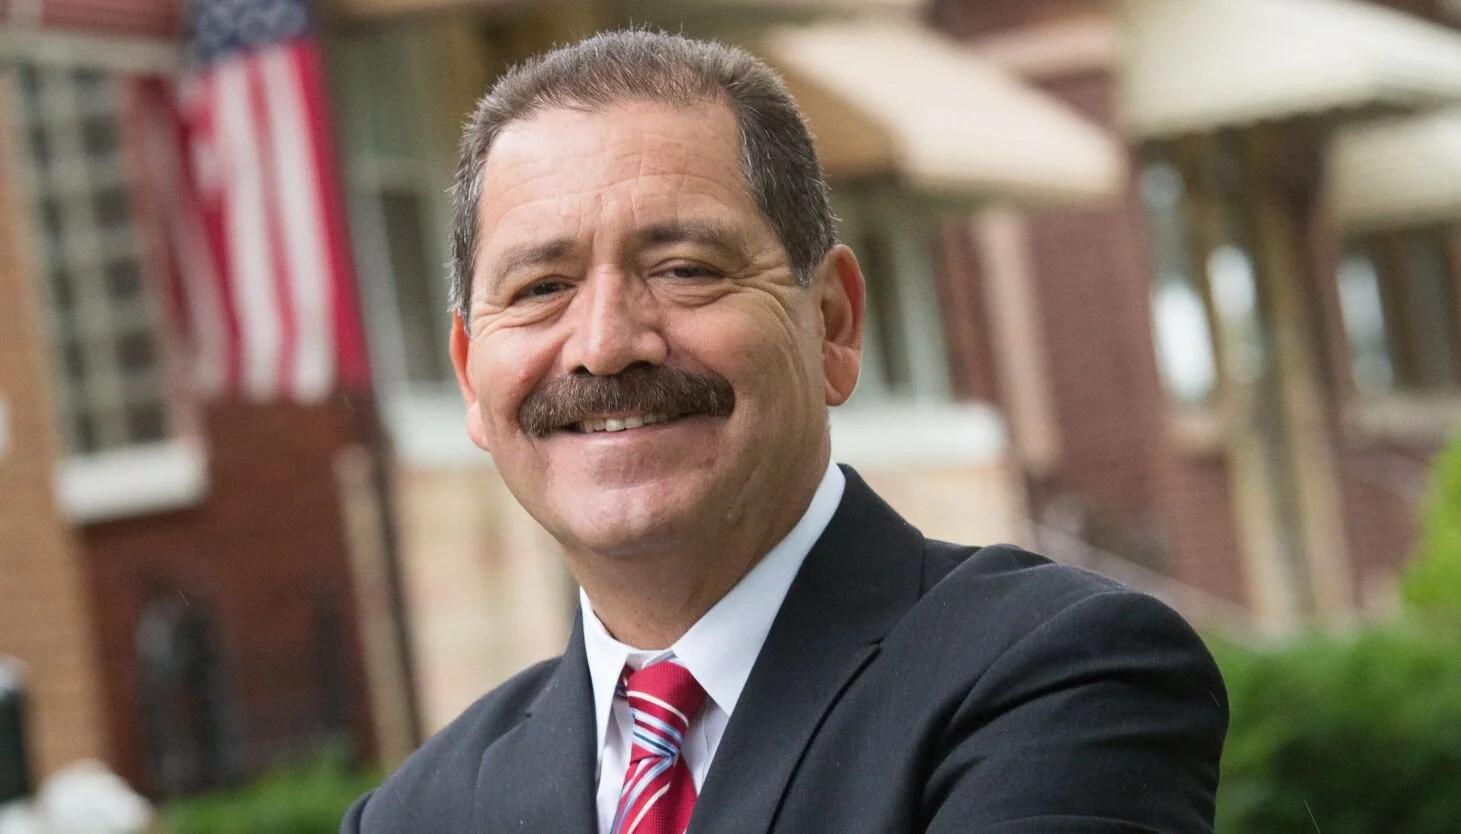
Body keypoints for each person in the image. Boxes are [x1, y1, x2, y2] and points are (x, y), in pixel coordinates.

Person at [342, 29, 1227, 834]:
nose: (605, 344)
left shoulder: (1057, 679)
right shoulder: (412, 816)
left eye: (684, 270)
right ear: (470, 372)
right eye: (541, 288)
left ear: (832, 323)